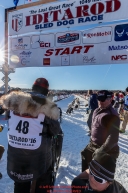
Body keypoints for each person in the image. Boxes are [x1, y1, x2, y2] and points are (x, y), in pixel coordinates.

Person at [0, 77, 63, 193]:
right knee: (44, 175)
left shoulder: (14, 103)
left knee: (20, 185)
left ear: (32, 88)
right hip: (38, 159)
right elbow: (55, 130)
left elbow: (9, 120)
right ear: (47, 92)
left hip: (14, 158)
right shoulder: (48, 108)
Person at [81, 90, 120, 172]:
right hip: (93, 144)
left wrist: (102, 151)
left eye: (103, 100)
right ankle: (86, 181)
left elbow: (113, 138)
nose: (100, 102)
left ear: (110, 99)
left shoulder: (111, 115)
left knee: (99, 172)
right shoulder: (97, 110)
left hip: (105, 149)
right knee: (85, 155)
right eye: (99, 99)